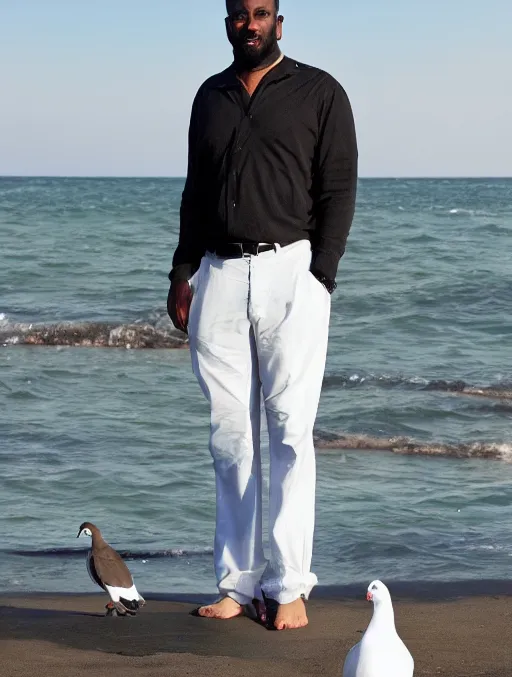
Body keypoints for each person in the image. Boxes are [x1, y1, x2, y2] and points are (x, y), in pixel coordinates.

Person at [167, 0, 358, 630]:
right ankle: (236, 584)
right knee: (230, 437)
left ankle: (289, 586)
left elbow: (337, 186)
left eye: (261, 13)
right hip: (217, 275)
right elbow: (196, 189)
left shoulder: (320, 92)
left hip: (291, 273)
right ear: (226, 23)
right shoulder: (210, 97)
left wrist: (320, 276)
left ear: (279, 21)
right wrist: (181, 270)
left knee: (290, 433)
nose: (249, 23)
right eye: (239, 14)